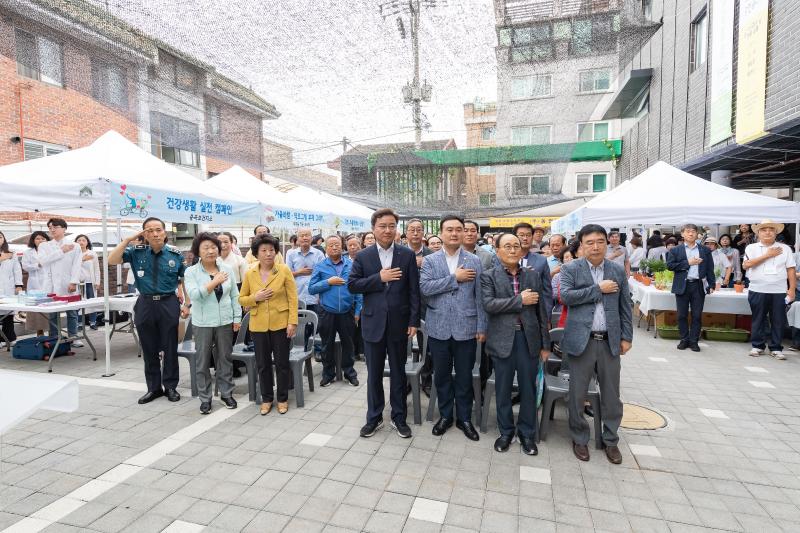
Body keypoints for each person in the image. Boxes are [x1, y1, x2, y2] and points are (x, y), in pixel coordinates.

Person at [560, 224, 632, 464]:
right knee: (577, 394)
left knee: (612, 395)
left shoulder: (616, 269)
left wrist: (626, 337)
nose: (595, 246)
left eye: (600, 241)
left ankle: (610, 440)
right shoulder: (571, 268)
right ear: (581, 245)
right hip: (582, 341)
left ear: (607, 242)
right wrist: (597, 289)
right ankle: (579, 438)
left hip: (609, 341)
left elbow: (625, 305)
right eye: (589, 242)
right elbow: (566, 297)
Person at [348, 208, 420, 439]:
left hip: (400, 324)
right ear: (373, 229)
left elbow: (414, 292)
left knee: (399, 372)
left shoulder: (406, 255)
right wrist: (379, 278)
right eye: (383, 226)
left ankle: (399, 417)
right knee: (374, 374)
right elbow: (353, 285)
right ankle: (374, 417)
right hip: (373, 323)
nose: (387, 230)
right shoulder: (363, 256)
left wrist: (413, 321)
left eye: (391, 226)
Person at [107, 217, 191, 404]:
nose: (155, 234)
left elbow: (184, 280)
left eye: (158, 229)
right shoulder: (136, 252)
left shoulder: (175, 255)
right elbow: (112, 260)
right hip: (144, 303)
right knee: (148, 347)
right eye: (150, 230)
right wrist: (128, 240)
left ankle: (170, 387)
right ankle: (154, 388)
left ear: (165, 232)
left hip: (168, 302)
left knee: (170, 347)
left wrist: (187, 304)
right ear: (144, 234)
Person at [481, 233, 550, 455]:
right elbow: (489, 304)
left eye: (516, 246)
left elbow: (541, 312)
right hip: (502, 340)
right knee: (502, 389)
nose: (513, 250)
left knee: (528, 389)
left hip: (528, 339)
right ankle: (506, 431)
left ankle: (527, 434)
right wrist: (520, 300)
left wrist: (545, 344)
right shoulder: (488, 276)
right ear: (497, 250)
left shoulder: (532, 276)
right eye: (507, 246)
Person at [420, 215, 486, 441]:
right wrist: (453, 278)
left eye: (459, 229)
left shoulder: (474, 260)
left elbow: (480, 296)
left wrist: (481, 325)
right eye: (450, 229)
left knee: (465, 375)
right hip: (438, 327)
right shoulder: (430, 261)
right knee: (441, 375)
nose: (455, 233)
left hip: (466, 326)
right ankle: (446, 415)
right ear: (441, 232)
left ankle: (465, 418)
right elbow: (426, 288)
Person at [239, 234, 298, 415]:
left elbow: (293, 298)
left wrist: (292, 322)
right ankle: (266, 399)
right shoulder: (250, 273)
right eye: (263, 250)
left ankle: (282, 398)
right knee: (262, 364)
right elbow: (241, 299)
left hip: (281, 324)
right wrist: (255, 298)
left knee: (282, 363)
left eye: (271, 250)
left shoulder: (284, 270)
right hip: (258, 326)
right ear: (256, 253)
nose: (268, 254)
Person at [184, 233, 241, 414]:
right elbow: (194, 295)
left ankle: (226, 393)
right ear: (198, 252)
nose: (210, 251)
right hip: (203, 322)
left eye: (213, 247)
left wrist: (237, 318)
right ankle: (205, 398)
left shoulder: (226, 268)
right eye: (205, 248)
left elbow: (234, 296)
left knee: (225, 358)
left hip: (225, 321)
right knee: (202, 361)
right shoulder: (191, 272)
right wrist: (213, 282)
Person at [308, 235, 362, 387]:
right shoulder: (320, 266)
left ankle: (350, 373)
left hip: (347, 311)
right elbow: (311, 289)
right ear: (326, 248)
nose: (334, 247)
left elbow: (358, 290)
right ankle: (328, 374)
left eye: (337, 244)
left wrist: (357, 311)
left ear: (342, 246)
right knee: (327, 344)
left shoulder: (351, 265)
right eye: (331, 245)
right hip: (327, 311)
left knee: (349, 344)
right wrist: (328, 282)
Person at [743, 220, 796, 360]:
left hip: (779, 290)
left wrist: (792, 289)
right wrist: (768, 255)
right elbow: (746, 265)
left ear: (776, 232)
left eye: (771, 229)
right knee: (758, 318)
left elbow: (791, 269)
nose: (768, 232)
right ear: (758, 233)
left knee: (778, 319)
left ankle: (776, 347)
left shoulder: (785, 249)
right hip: (757, 289)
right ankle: (757, 345)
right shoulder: (751, 248)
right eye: (764, 229)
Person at [666, 224, 716, 352]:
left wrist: (712, 284)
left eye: (693, 231)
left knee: (697, 315)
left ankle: (694, 341)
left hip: (698, 285)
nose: (690, 234)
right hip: (682, 285)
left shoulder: (705, 250)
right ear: (682, 234)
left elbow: (710, 268)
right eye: (687, 232)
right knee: (681, 315)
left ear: (697, 234)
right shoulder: (675, 250)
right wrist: (688, 263)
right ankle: (684, 339)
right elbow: (670, 266)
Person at [37, 218, 83, 347]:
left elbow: (77, 265)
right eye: (50, 227)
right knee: (53, 313)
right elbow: (43, 261)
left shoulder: (75, 246)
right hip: (51, 284)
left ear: (64, 228)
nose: (52, 230)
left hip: (67, 282)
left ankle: (74, 336)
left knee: (72, 311)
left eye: (55, 227)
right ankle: (54, 337)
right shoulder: (44, 245)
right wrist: (61, 251)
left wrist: (74, 281)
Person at [285, 228, 325, 349]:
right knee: (300, 324)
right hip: (298, 296)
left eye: (307, 235)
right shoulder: (290, 254)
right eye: (302, 235)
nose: (304, 238)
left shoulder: (319, 254)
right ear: (297, 240)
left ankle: (316, 348)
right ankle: (301, 347)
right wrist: (299, 272)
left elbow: (323, 273)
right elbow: (287, 275)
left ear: (311, 238)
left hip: (314, 295)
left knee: (317, 324)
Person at [508, 222, 552, 316]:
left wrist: (547, 317)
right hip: (508, 314)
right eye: (521, 235)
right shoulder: (502, 259)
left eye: (528, 235)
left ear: (532, 237)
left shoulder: (541, 260)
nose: (525, 238)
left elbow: (546, 292)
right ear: (514, 237)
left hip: (533, 314)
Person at [21, 231, 51, 335]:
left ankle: (53, 331)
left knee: (50, 306)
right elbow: (25, 266)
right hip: (34, 283)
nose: (41, 240)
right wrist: (37, 265)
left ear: (47, 240)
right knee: (36, 309)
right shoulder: (28, 252)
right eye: (38, 238)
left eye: (43, 238)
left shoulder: (51, 251)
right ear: (33, 240)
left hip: (49, 282)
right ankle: (40, 331)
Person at [74, 234, 101, 330]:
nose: (81, 242)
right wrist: (82, 259)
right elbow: (72, 267)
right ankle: (79, 323)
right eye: (79, 240)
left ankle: (93, 322)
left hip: (90, 282)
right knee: (78, 303)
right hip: (78, 283)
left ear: (87, 243)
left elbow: (96, 269)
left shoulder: (92, 254)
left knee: (92, 302)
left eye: (83, 240)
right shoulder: (73, 254)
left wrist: (97, 282)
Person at [0, 231, 22, 345]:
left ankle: (10, 338)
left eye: (0, 237)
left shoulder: (11, 253)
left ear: (4, 239)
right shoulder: (6, 256)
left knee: (8, 313)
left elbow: (17, 271)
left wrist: (18, 285)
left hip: (8, 287)